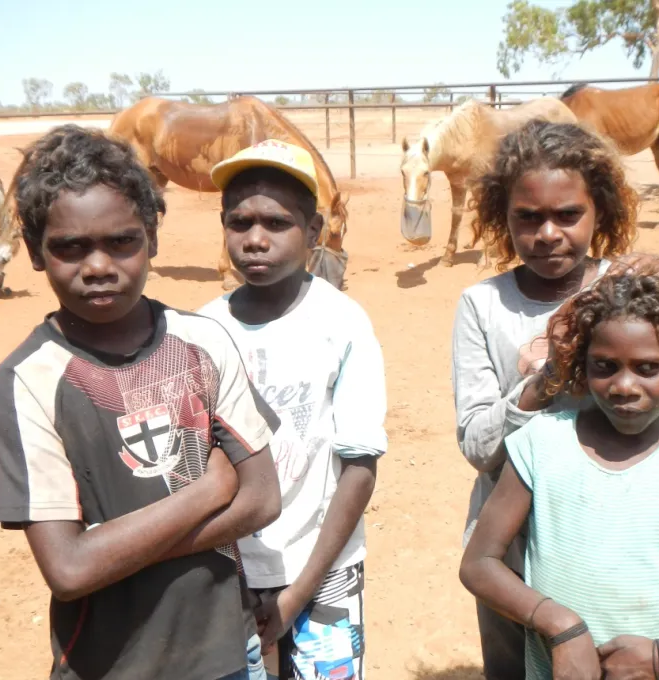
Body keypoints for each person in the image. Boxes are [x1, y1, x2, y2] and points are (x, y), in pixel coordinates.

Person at [0, 124, 283, 680]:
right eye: (70, 247)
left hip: (226, 649)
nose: (98, 265)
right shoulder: (28, 380)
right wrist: (207, 493)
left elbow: (263, 499)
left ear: (152, 237)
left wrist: (109, 552)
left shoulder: (203, 343)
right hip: (112, 664)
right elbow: (69, 571)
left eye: (121, 241)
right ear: (33, 251)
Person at [451, 119, 659, 680]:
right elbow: (478, 446)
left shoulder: (634, 290)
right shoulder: (482, 305)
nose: (548, 232)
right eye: (529, 217)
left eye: (568, 214)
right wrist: (548, 377)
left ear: (601, 211)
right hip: (511, 554)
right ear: (504, 217)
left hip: (622, 542)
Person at [459, 260, 659, 680]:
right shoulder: (539, 445)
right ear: (579, 364)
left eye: (648, 368)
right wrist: (559, 626)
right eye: (604, 366)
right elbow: (479, 563)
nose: (624, 386)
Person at [198, 139, 387, 680]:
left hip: (324, 569)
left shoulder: (343, 324)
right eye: (240, 223)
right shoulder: (203, 331)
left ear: (314, 230)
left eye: (277, 224)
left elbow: (359, 469)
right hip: (229, 573)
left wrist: (298, 592)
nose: (255, 240)